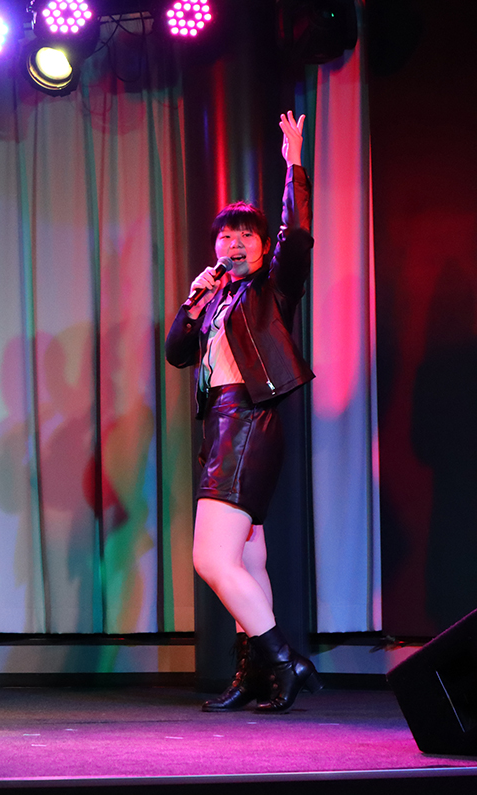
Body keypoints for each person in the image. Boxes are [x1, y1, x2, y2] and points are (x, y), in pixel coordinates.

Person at [164, 110, 321, 713]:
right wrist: (193, 300)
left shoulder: (272, 288)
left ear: (262, 245)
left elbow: (297, 236)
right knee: (247, 554)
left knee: (211, 557)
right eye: (226, 236)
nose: (234, 244)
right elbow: (177, 353)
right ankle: (255, 672)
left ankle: (283, 661)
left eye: (245, 236)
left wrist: (293, 165)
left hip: (247, 418)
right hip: (221, 423)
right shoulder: (216, 298)